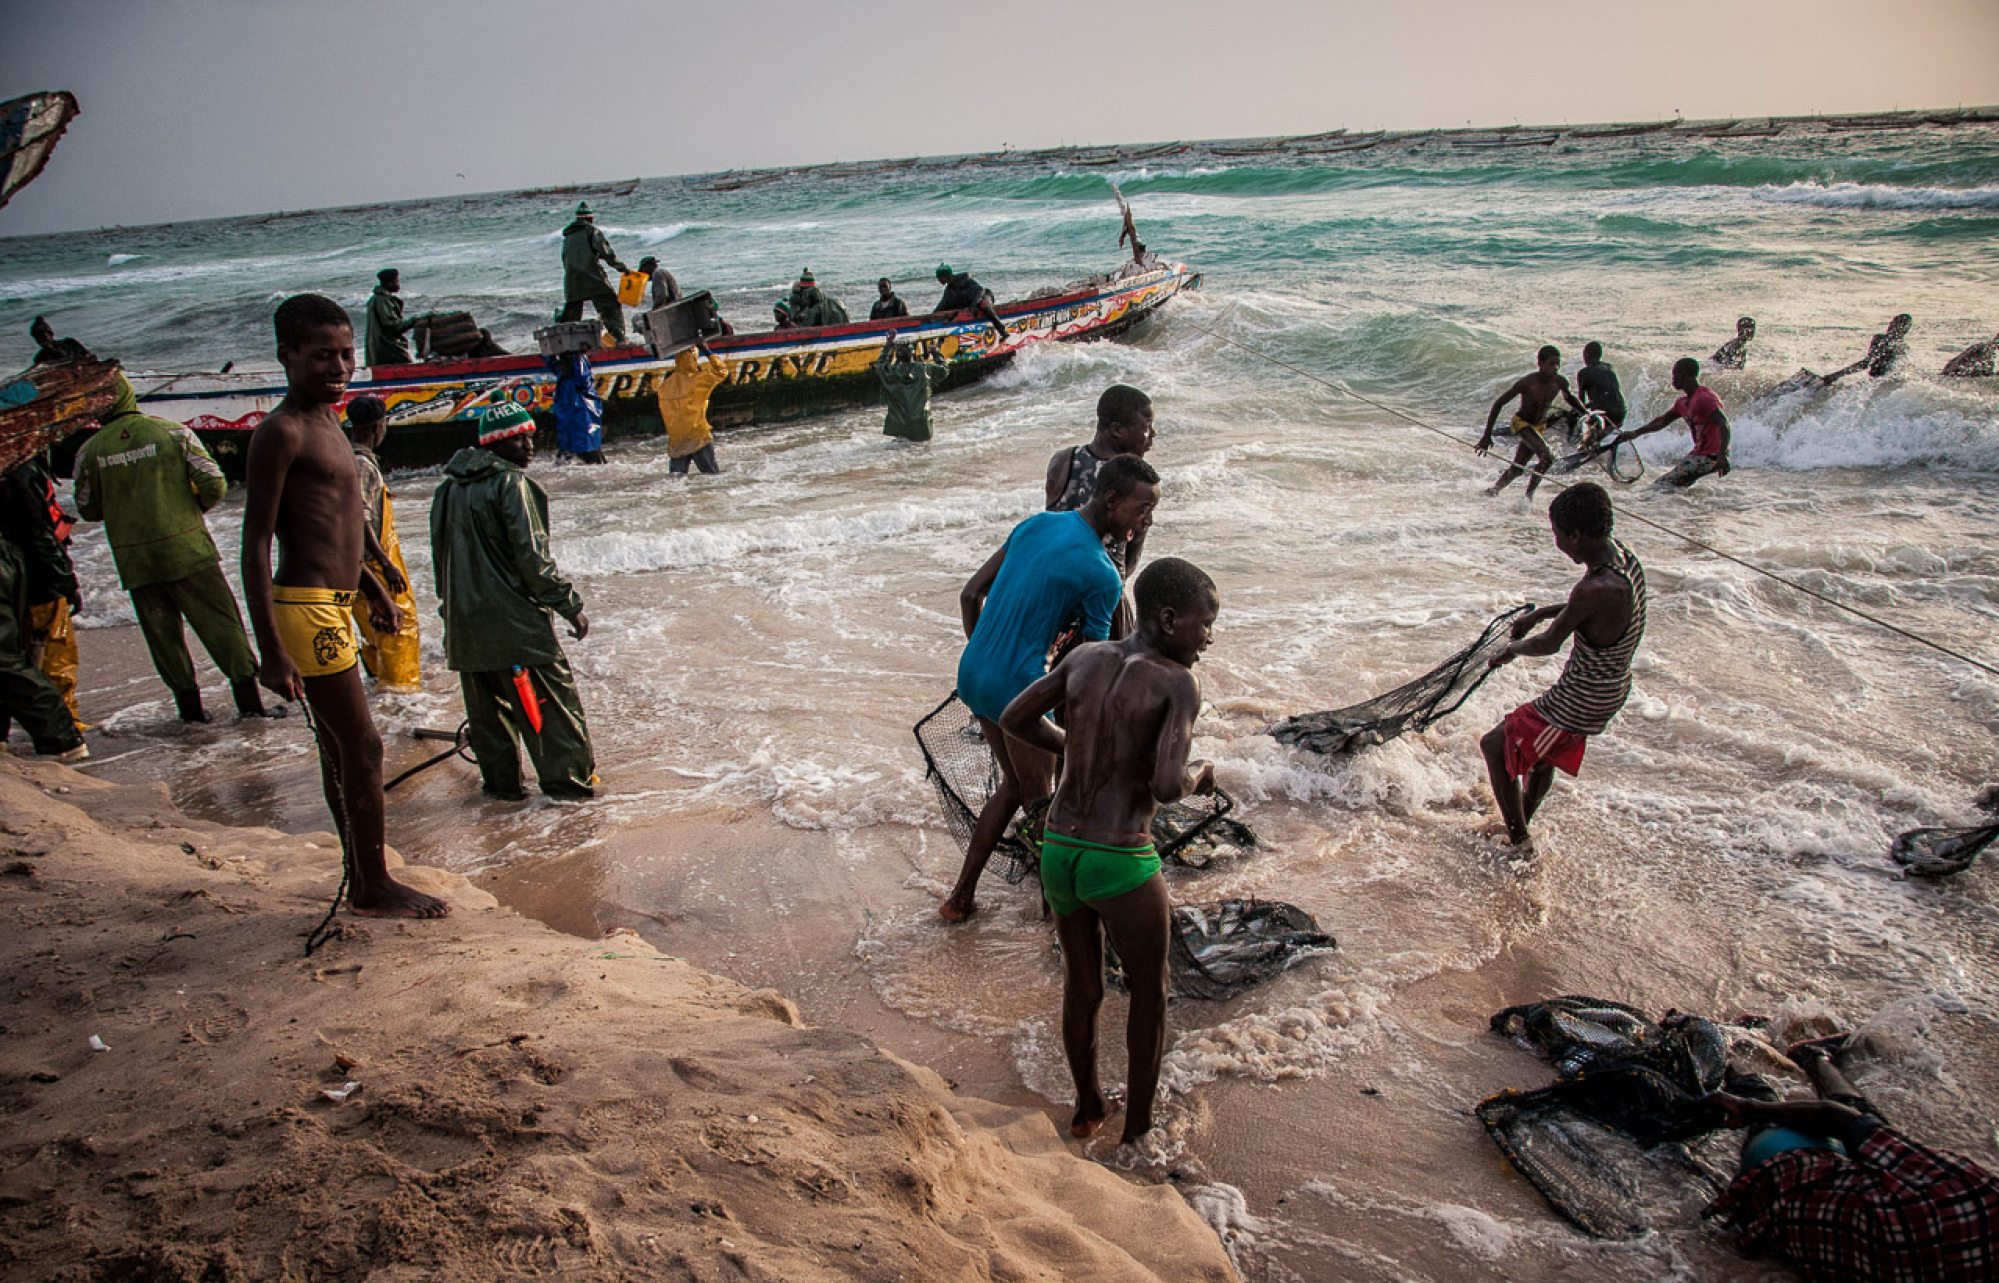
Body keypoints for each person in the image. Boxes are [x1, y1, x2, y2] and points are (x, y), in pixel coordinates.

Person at [998, 556, 1218, 1144]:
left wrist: (1072, 747)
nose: (1209, 638)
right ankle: (1138, 1131)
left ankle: (1087, 1105)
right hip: (1119, 857)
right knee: (1151, 991)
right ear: (1169, 619)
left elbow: (1015, 715)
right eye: (1204, 624)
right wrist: (1202, 776)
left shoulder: (1086, 657)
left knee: (1083, 984)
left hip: (1059, 850)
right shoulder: (1178, 682)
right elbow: (1168, 786)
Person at [242, 294, 446, 919]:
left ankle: (361, 873)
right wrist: (270, 649)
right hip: (305, 607)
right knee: (362, 747)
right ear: (287, 356)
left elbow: (339, 525)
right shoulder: (282, 431)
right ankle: (373, 884)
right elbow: (255, 542)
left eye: (347, 353)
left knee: (341, 749)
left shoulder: (330, 423)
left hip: (339, 599)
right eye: (322, 355)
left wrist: (374, 586)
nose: (339, 367)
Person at [940, 454, 1161, 922]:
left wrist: (990, 655)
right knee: (1049, 812)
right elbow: (1093, 666)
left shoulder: (1037, 523)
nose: (1147, 521)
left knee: (1016, 788)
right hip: (1019, 690)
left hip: (974, 670)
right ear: (1111, 499)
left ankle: (961, 898)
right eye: (1142, 510)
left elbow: (969, 594)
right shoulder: (1102, 573)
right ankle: (1056, 925)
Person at [72, 374, 278, 723]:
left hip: (133, 557)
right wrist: (189, 508)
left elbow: (87, 508)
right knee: (221, 624)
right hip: (187, 548)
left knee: (163, 637)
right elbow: (214, 483)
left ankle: (192, 714)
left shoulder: (90, 451)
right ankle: (251, 707)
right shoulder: (172, 433)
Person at [1704, 1038, 1999, 1281]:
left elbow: (1835, 1118)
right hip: (1805, 1244)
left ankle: (1797, 1058)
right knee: (1869, 1132)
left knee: (1858, 1120)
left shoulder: (1976, 1194)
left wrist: (1750, 1108)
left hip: (1782, 1183)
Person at [430, 402, 596, 802]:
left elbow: (441, 563)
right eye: (519, 438)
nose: (528, 445)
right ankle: (568, 790)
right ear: (496, 444)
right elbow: (532, 559)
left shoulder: (446, 491)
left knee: (488, 719)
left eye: (530, 436)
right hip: (517, 626)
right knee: (553, 716)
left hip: (466, 626)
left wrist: (449, 617)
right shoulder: (511, 485)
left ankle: (502, 791)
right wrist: (568, 604)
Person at [1479, 482, 1645, 853]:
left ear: (1576, 534)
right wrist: (1544, 612)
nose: (1557, 544)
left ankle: (1520, 842)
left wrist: (1512, 649)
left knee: (1494, 745)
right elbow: (1587, 611)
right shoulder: (1622, 559)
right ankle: (1524, 815)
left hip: (1583, 698)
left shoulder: (1596, 587)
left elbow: (1550, 643)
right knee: (1542, 757)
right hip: (1609, 686)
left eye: (1558, 535)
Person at [0, 489, 88, 762]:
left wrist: (64, 581)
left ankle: (63, 738)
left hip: (23, 572)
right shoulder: (18, 469)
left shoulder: (19, 473)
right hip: (21, 566)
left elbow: (37, 530)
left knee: (8, 660)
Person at [342, 396, 421, 691]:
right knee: (399, 627)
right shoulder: (362, 465)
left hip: (358, 564)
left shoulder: (346, 457)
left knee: (373, 630)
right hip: (373, 563)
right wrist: (386, 564)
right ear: (379, 426)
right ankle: (401, 693)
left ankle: (380, 692)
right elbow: (359, 519)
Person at [1046, 384, 1156, 578]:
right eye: (1147, 427)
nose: (1153, 434)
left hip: (1054, 577)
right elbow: (1126, 565)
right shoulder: (1133, 483)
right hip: (1100, 591)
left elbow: (1052, 526)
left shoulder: (1063, 460)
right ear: (1117, 430)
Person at [1476, 346, 1585, 501]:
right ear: (1540, 363)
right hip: (1521, 424)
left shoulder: (1559, 382)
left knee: (1517, 468)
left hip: (1538, 427)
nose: (1555, 368)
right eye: (1551, 364)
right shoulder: (1527, 383)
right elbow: (1498, 404)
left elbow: (1569, 398)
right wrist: (1486, 436)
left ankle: (1493, 490)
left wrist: (1585, 413)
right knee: (1547, 457)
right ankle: (1528, 497)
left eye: (1557, 364)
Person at [1610, 356, 1732, 489]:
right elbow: (1660, 422)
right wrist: (1635, 433)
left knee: (1661, 486)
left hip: (1711, 456)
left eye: (1675, 375)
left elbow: (1723, 423)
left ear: (1685, 375)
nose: (1673, 379)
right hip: (1699, 455)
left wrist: (1722, 456)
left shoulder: (1704, 398)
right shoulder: (1682, 403)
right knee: (1676, 487)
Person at [554, 202, 630, 346]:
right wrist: (622, 268)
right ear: (590, 219)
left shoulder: (568, 236)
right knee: (610, 305)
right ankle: (619, 339)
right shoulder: (592, 231)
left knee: (572, 314)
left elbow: (564, 258)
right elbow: (606, 253)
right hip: (593, 277)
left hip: (572, 279)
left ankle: (564, 343)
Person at [656, 343, 730, 475]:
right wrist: (707, 350)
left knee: (676, 480)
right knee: (712, 477)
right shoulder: (699, 380)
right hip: (698, 436)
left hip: (677, 440)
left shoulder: (664, 386)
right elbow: (722, 371)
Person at [874, 331, 950, 442]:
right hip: (921, 426)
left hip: (899, 426)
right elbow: (944, 369)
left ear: (897, 355)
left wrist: (888, 346)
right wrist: (935, 353)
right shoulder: (924, 369)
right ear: (913, 354)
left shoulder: (890, 373)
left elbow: (880, 365)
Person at [1821, 314, 1913, 387]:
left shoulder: (1881, 340)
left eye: (1894, 323)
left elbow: (1867, 362)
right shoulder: (1904, 348)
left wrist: (1836, 375)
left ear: (1902, 330)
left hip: (1876, 383)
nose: (1890, 325)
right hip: (1884, 387)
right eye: (1892, 322)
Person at [930, 264, 1007, 345]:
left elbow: (980, 292)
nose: (938, 280)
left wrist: (974, 305)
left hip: (984, 296)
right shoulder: (949, 291)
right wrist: (932, 316)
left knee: (984, 305)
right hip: (970, 304)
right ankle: (940, 343)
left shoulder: (966, 280)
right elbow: (942, 306)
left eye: (940, 278)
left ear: (946, 277)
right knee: (948, 316)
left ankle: (1003, 331)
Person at [364, 269, 421, 367]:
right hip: (388, 347)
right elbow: (392, 326)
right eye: (397, 281)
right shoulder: (383, 300)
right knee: (408, 368)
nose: (398, 285)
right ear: (389, 283)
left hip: (377, 348)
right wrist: (414, 320)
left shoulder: (375, 299)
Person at [1574, 341, 1627, 430]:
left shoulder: (1583, 372)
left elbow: (1580, 402)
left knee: (1588, 433)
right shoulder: (1609, 367)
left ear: (1586, 355)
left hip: (1605, 413)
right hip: (1621, 412)